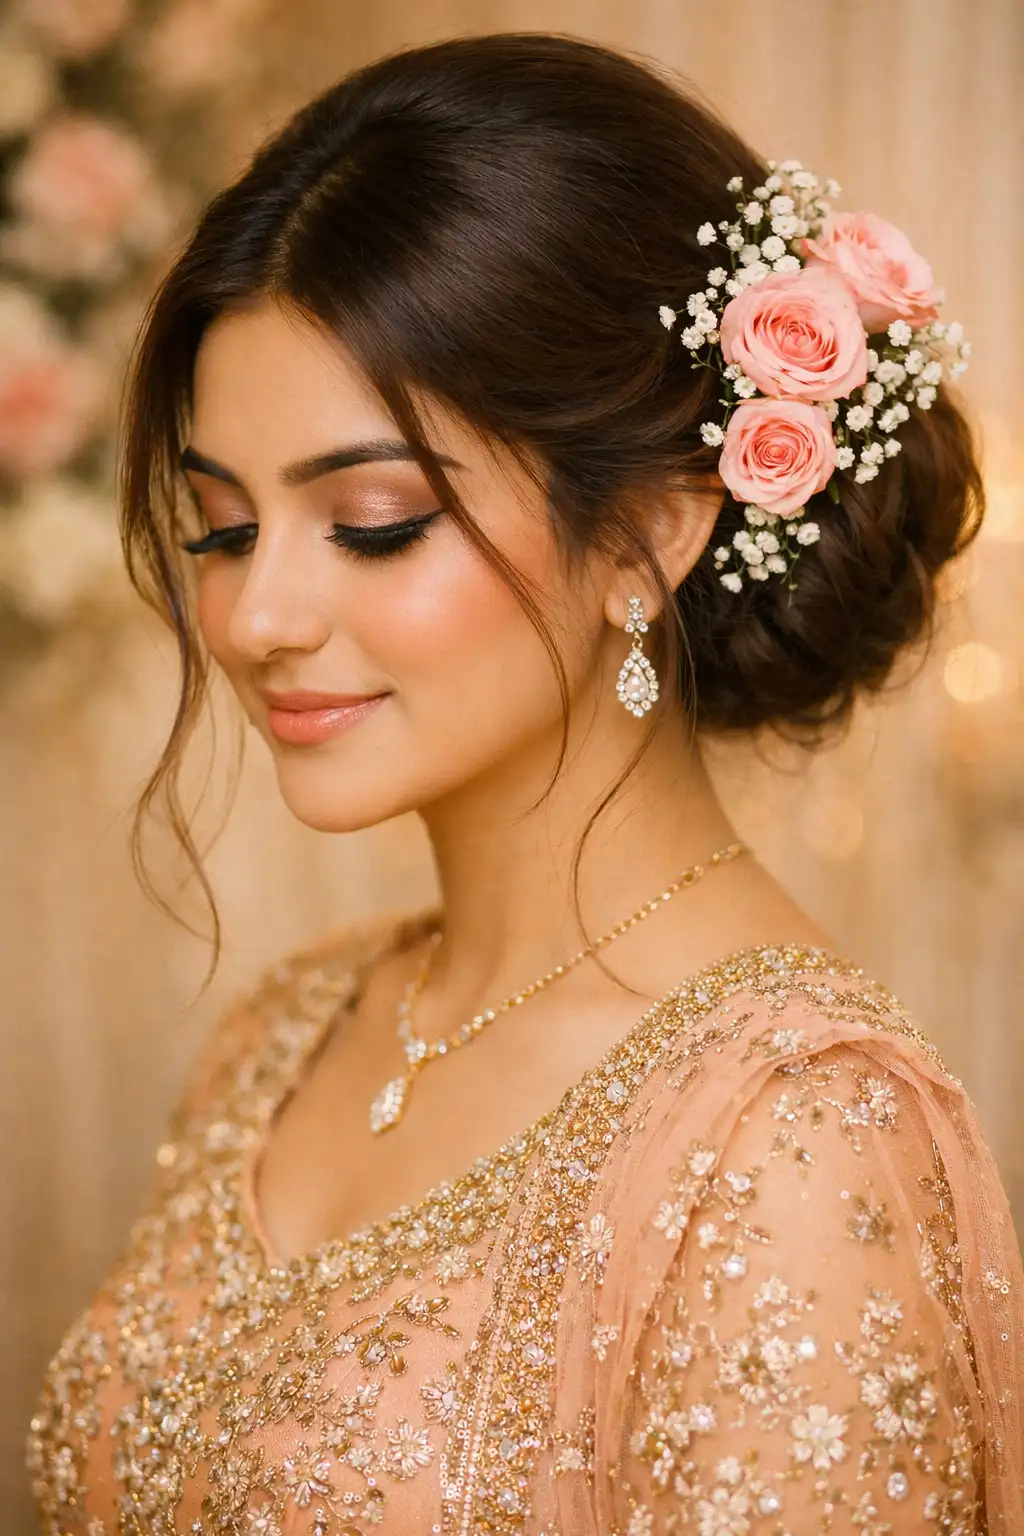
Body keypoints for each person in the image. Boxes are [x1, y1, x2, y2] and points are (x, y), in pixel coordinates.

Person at [27, 31, 1022, 1536]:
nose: (256, 617)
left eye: (370, 523)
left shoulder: (795, 1139)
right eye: (222, 528)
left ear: (650, 535)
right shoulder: (284, 1036)